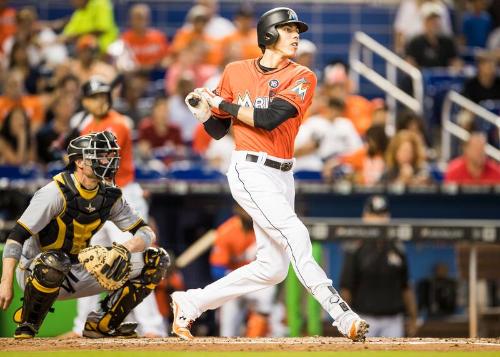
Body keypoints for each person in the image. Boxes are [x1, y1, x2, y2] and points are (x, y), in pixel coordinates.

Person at [175, 7, 369, 342]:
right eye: (288, 29)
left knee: (272, 269)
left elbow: (269, 118)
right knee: (296, 234)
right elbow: (220, 131)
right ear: (268, 35)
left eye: (297, 30)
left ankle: (191, 301)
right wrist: (206, 114)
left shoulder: (303, 76)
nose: (296, 35)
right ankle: (341, 314)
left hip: (283, 173)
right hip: (249, 168)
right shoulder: (235, 71)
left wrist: (220, 105)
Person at [0, 131, 170, 338]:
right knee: (55, 262)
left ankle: (103, 323)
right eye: (100, 156)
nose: (107, 161)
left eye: (108, 155)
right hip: (36, 271)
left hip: (77, 269)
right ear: (80, 162)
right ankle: (28, 324)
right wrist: (5, 282)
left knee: (156, 260)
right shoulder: (54, 192)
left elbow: (146, 232)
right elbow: (16, 235)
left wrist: (124, 249)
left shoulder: (110, 194)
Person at [340, 195, 418, 337]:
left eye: (382, 215)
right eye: (374, 215)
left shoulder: (397, 246)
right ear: (365, 216)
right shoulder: (355, 247)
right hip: (363, 317)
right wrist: (344, 319)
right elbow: (346, 289)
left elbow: (406, 286)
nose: (378, 219)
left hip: (393, 320)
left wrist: (413, 318)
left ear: (388, 216)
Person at [210, 205, 276, 337]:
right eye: (244, 209)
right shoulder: (226, 231)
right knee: (227, 332)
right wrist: (236, 279)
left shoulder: (265, 230)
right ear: (237, 211)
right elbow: (217, 270)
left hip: (256, 282)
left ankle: (255, 339)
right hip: (234, 281)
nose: (249, 213)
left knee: (267, 293)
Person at [405, 2, 462, 70]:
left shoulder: (448, 42)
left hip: (443, 78)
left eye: (436, 20)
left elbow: (455, 61)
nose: (434, 23)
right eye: (430, 20)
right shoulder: (414, 42)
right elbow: (409, 63)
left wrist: (456, 67)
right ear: (424, 22)